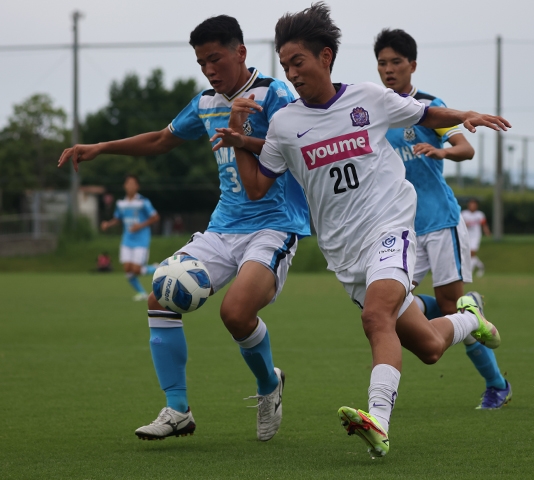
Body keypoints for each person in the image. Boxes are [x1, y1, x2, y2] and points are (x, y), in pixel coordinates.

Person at [212, 3, 510, 458]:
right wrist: (238, 137)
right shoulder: (285, 125)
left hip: (391, 228)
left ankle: (378, 422)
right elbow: (255, 188)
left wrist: (466, 114)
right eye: (286, 65)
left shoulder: (368, 98)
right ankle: (472, 318)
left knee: (375, 319)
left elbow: (424, 113)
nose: (291, 73)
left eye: (299, 62)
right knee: (428, 346)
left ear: (326, 57)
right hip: (344, 254)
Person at [58, 15, 310, 442]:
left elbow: (297, 144)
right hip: (223, 227)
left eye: (215, 59)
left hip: (273, 225)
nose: (209, 70)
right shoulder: (206, 102)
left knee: (236, 314)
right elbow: (160, 140)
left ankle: (269, 385)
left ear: (240, 53)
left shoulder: (275, 94)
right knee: (159, 297)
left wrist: (242, 131)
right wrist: (101, 147)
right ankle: (178, 410)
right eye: (201, 63)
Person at [374, 28, 510, 410]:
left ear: (412, 65)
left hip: (440, 222)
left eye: (396, 62)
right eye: (382, 63)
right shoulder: (375, 113)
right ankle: (460, 305)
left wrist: (442, 153)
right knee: (392, 307)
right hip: (402, 230)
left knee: (451, 310)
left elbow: (465, 148)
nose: (388, 70)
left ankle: (497, 384)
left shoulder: (428, 107)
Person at [100, 175, 160, 300]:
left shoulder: (143, 201)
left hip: (141, 240)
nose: (130, 186)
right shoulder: (121, 203)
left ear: (137, 186)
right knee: (128, 269)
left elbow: (155, 217)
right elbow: (118, 219)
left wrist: (140, 226)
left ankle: (156, 268)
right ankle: (142, 293)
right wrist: (108, 224)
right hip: (127, 239)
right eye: (128, 183)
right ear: (125, 186)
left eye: (133, 183)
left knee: (136, 269)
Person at [462, 198, 492, 278]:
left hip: (476, 236)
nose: (472, 206)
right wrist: (465, 225)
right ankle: (481, 266)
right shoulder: (464, 214)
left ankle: (469, 272)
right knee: (468, 254)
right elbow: (460, 225)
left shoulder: (479, 214)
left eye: (474, 204)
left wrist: (487, 232)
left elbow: (484, 224)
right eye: (471, 204)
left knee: (472, 253)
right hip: (466, 236)